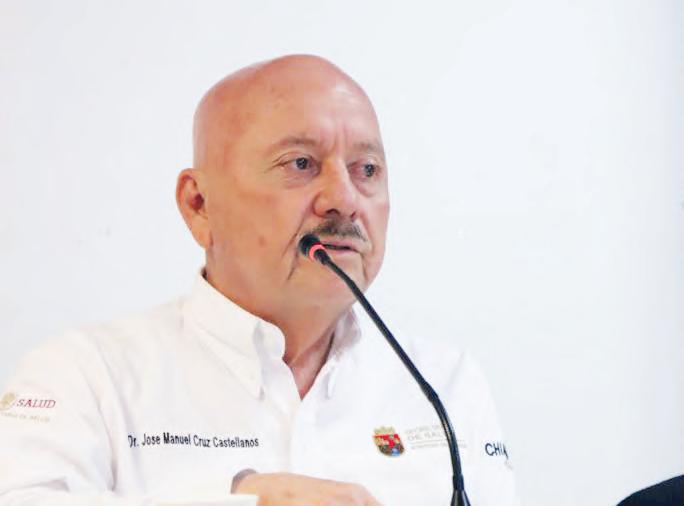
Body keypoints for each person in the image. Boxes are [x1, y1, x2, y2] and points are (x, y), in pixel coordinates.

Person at [0, 55, 519, 505]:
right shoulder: (86, 377)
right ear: (199, 205)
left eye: (366, 170)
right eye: (301, 163)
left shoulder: (444, 386)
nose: (343, 199)